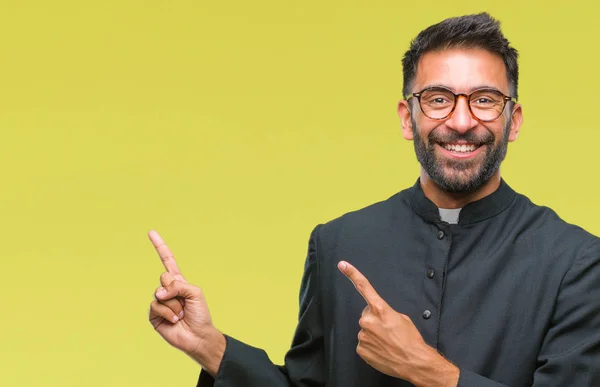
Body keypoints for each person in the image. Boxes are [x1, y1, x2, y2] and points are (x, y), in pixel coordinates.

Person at [147, 12, 600, 386]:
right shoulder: (339, 244)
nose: (462, 121)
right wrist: (210, 346)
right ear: (408, 118)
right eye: (438, 99)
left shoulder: (577, 263)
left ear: (514, 121)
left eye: (485, 99)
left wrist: (428, 370)